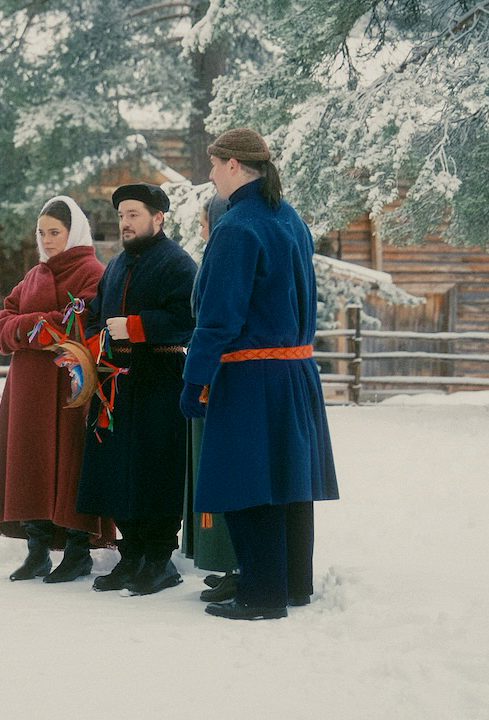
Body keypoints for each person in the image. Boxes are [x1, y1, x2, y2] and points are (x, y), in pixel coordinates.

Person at [181, 128, 340, 620]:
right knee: (286, 481)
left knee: (246, 483)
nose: (210, 176)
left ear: (233, 165)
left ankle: (261, 595)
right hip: (294, 373)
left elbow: (219, 317)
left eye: (213, 166)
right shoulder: (289, 219)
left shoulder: (237, 226)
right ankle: (291, 585)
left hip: (251, 376)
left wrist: (194, 379)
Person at [0, 196, 115, 583]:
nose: (47, 240)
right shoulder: (35, 274)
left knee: (69, 459)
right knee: (30, 461)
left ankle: (76, 550)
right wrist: (30, 328)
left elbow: (76, 322)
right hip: (28, 388)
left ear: (74, 232)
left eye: (55, 232)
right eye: (42, 233)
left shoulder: (92, 271)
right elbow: (4, 320)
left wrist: (26, 327)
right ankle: (36, 550)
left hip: (69, 384)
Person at [76, 183, 198, 596]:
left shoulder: (178, 264)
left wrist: (137, 327)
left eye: (133, 215)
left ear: (158, 218)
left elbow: (189, 317)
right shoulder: (114, 265)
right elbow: (94, 316)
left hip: (159, 379)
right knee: (117, 471)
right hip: (114, 384)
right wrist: (96, 345)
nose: (125, 223)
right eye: (122, 215)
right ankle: (130, 558)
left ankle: (160, 560)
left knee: (156, 470)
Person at [180, 193, 240, 603]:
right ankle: (224, 562)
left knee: (227, 473)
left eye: (204, 224)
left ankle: (238, 562)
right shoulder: (211, 261)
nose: (201, 232)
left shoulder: (226, 261)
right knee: (209, 472)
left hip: (220, 377)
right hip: (206, 374)